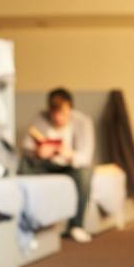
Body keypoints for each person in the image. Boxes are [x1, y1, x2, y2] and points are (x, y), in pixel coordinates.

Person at [19, 87, 96, 243]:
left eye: (62, 112)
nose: (58, 117)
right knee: (22, 165)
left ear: (70, 109)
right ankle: (24, 221)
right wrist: (37, 152)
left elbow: (86, 156)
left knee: (85, 173)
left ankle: (76, 226)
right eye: (54, 112)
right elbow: (26, 146)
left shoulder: (82, 122)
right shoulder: (40, 118)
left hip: (70, 167)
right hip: (46, 165)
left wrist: (69, 154)